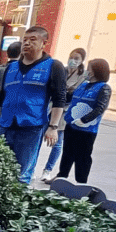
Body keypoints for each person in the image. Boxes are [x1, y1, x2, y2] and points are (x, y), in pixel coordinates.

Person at [0, 26, 68, 185]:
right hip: (6, 125)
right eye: (25, 40)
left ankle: (17, 204)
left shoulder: (53, 66)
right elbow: (1, 97)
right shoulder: (11, 68)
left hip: (31, 127)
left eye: (32, 40)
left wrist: (53, 127)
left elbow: (59, 98)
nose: (27, 43)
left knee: (23, 173)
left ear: (43, 43)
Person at [56, 58, 112, 184]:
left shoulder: (104, 88)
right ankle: (61, 177)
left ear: (95, 71)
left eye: (89, 69)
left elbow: (100, 107)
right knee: (67, 154)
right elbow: (70, 98)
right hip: (71, 126)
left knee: (82, 157)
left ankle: (81, 183)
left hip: (87, 130)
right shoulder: (83, 84)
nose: (86, 71)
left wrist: (84, 120)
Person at [40, 47, 86, 182]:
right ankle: (31, 168)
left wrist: (65, 91)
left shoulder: (83, 75)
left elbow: (75, 93)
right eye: (71, 57)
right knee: (38, 137)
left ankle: (47, 170)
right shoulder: (62, 70)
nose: (73, 61)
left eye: (76, 59)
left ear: (82, 60)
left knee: (57, 142)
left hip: (65, 111)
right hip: (49, 108)